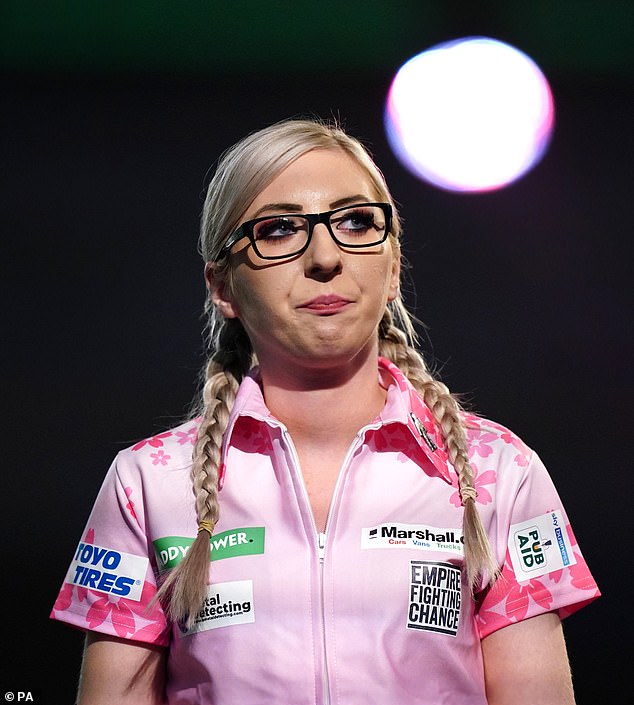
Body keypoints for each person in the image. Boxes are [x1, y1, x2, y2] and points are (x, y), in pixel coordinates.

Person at [51, 117, 599, 705]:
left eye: (356, 222)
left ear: (392, 267)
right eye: (279, 229)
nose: (325, 256)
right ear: (222, 287)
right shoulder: (146, 483)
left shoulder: (502, 471)